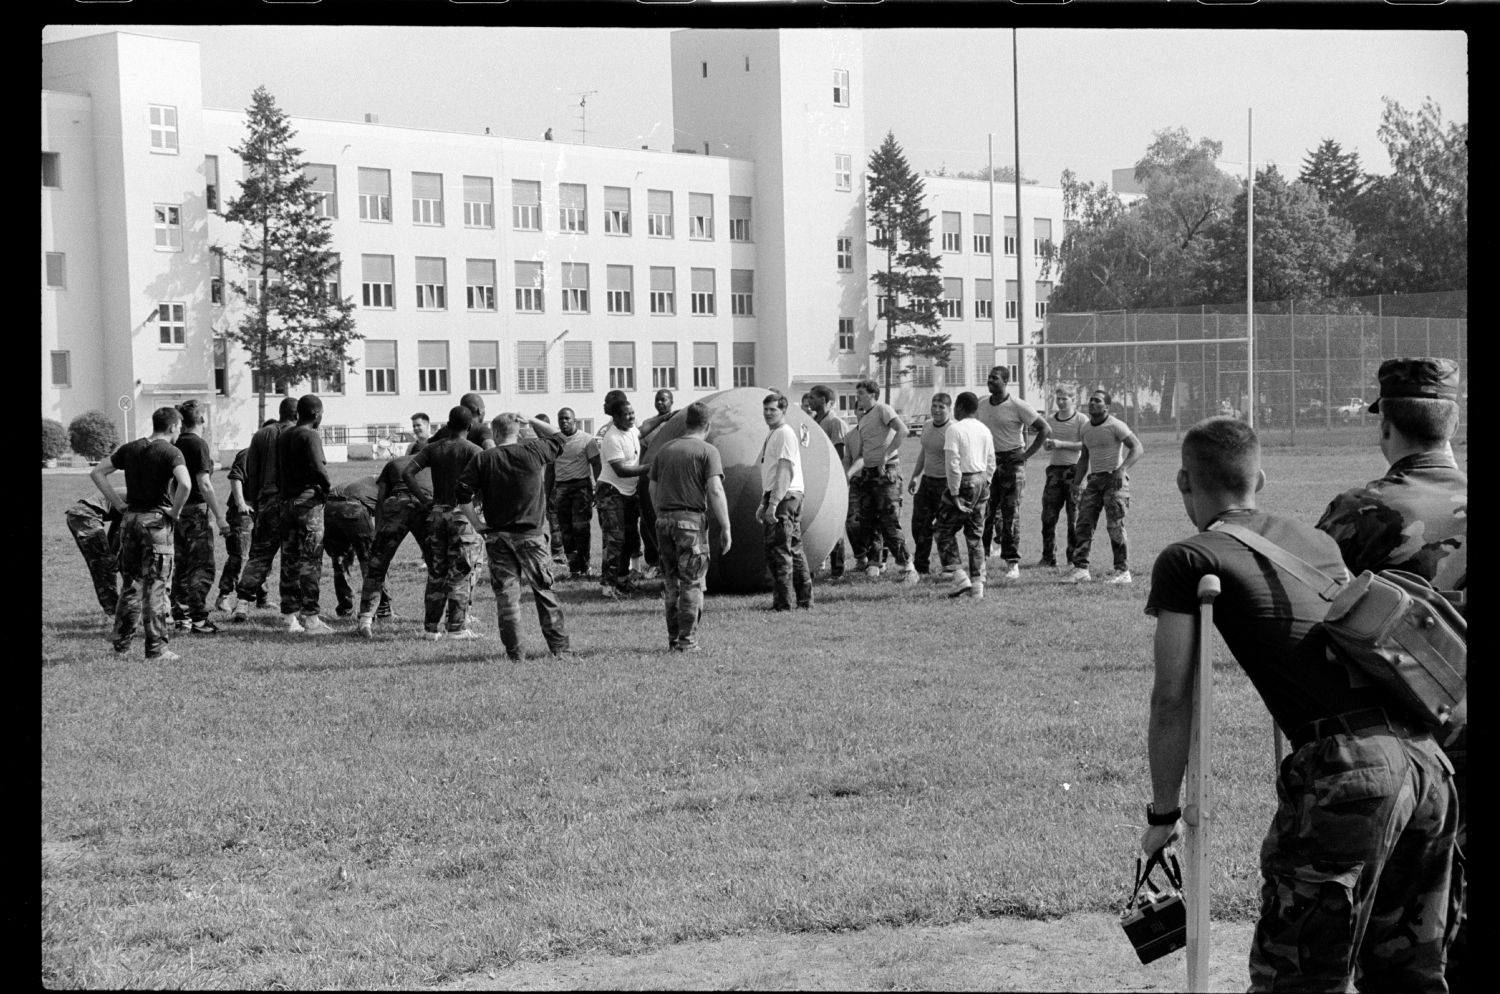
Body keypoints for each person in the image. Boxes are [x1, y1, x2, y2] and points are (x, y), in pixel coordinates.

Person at [1141, 417, 1457, 992]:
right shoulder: (1316, 542)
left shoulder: (1190, 558)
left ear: (1184, 481)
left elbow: (1171, 698)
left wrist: (1164, 813)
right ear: (1259, 477)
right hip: (1427, 763)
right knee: (1407, 970)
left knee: (1298, 977)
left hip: (1350, 773)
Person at [1314, 356, 1468, 994]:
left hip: (1410, 749)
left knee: (1404, 941)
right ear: (1451, 421)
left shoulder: (1360, 512)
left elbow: (1318, 624)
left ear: (1387, 427)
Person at [458, 413, 571, 660]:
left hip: (497, 537)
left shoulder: (483, 459)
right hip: (531, 536)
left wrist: (477, 524)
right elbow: (560, 436)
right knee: (544, 592)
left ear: (496, 434)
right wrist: (531, 419)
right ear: (518, 432)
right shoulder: (534, 451)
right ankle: (560, 650)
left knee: (507, 597)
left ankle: (515, 654)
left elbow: (462, 493)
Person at [90, 406, 191, 660]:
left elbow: (97, 472)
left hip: (130, 521)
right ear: (171, 427)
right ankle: (157, 649)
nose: (179, 431)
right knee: (156, 586)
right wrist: (175, 511)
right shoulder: (172, 452)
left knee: (131, 585)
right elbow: (186, 484)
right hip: (155, 523)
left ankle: (121, 645)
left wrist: (118, 503)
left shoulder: (131, 448)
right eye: (179, 427)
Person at [650, 401, 732, 651]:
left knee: (671, 581)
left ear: (686, 424)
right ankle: (688, 642)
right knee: (692, 582)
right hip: (690, 524)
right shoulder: (707, 451)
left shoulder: (665, 450)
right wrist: (726, 526)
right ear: (707, 425)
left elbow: (652, 487)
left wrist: (662, 514)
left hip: (663, 521)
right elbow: (715, 490)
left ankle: (674, 639)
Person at [405, 406, 483, 639]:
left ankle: (430, 628)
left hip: (436, 514)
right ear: (469, 427)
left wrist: (424, 500)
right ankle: (456, 628)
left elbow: (408, 473)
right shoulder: (475, 451)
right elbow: (486, 483)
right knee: (460, 572)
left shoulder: (433, 448)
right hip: (462, 516)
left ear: (447, 425)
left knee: (436, 572)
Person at [976, 365, 1050, 580]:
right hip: (989, 463)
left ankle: (1011, 562)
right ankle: (981, 558)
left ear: (1005, 381)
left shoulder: (1018, 405)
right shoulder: (982, 404)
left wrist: (1025, 455)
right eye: (989, 377)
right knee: (985, 511)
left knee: (1010, 513)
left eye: (995, 378)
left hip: (1011, 462)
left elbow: (1045, 429)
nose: (990, 381)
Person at [229, 397, 298, 622]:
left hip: (266, 501)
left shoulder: (260, 435)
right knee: (290, 556)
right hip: (290, 502)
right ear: (296, 415)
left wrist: (257, 503)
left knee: (258, 555)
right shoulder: (299, 433)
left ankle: (242, 604)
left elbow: (253, 473)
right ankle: (290, 613)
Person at [1064, 390, 1144, 584]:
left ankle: (1122, 571)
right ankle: (1081, 569)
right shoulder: (1086, 428)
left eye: (1097, 401)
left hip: (1114, 481)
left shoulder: (1115, 425)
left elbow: (1137, 448)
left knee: (1114, 525)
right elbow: (1084, 458)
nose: (1092, 403)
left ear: (1106, 407)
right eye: (1091, 400)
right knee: (1083, 523)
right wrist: (1076, 484)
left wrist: (1121, 469)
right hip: (1094, 481)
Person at [845, 378, 917, 585]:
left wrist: (886, 454)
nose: (857, 397)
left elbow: (902, 430)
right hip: (869, 473)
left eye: (860, 394)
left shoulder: (882, 409)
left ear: (872, 395)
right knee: (869, 521)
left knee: (889, 521)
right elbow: (863, 452)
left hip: (886, 473)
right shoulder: (865, 418)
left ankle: (907, 566)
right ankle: (875, 563)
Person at [355, 453, 433, 638]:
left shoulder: (393, 463)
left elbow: (381, 498)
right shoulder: (434, 461)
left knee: (377, 564)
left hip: (396, 503)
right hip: (425, 505)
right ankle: (434, 622)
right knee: (436, 566)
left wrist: (379, 530)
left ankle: (365, 620)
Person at [168, 399, 229, 635]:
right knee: (202, 566)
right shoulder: (199, 444)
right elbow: (204, 483)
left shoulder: (174, 444)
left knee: (181, 566)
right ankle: (200, 620)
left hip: (178, 511)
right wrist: (220, 517)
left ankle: (181, 616)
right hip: (196, 511)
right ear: (202, 420)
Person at [275, 394, 334, 634]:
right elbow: (319, 470)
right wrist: (327, 489)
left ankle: (289, 617)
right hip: (307, 504)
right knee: (311, 561)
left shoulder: (284, 435)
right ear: (316, 414)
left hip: (286, 503)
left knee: (289, 560)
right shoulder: (310, 435)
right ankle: (310, 618)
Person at [937, 392, 997, 599]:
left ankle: (960, 578)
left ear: (960, 407)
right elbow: (991, 460)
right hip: (982, 480)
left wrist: (954, 493)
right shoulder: (984, 429)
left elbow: (952, 462)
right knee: (975, 535)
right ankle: (978, 587)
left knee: (942, 530)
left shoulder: (954, 429)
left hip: (964, 481)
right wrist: (986, 482)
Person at [758, 392, 813, 611]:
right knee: (794, 549)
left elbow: (784, 470)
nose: (768, 413)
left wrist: (773, 504)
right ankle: (804, 600)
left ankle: (783, 602)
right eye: (766, 409)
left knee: (779, 551)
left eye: (773, 410)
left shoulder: (783, 433)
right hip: (788, 495)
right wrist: (764, 502)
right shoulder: (776, 434)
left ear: (784, 411)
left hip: (785, 496)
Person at [595, 396, 649, 600]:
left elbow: (645, 427)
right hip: (612, 492)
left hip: (629, 493)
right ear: (615, 417)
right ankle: (608, 586)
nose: (631, 416)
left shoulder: (632, 429)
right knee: (614, 540)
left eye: (632, 412)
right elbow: (620, 470)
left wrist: (665, 418)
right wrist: (650, 468)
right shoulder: (612, 438)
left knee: (628, 538)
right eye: (627, 414)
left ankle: (623, 580)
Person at [322, 475, 390, 620]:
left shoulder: (366, 481)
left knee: (340, 561)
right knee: (373, 561)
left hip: (329, 505)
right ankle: (383, 609)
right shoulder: (389, 486)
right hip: (353, 506)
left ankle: (345, 608)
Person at [216, 435, 270, 613]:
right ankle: (223, 596)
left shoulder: (273, 456)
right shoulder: (248, 454)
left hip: (262, 512)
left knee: (262, 556)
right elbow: (236, 477)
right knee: (240, 556)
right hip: (243, 513)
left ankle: (262, 597)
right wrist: (240, 503)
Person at [907, 392, 952, 577]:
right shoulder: (926, 426)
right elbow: (924, 452)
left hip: (945, 484)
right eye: (934, 406)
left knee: (943, 527)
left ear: (950, 409)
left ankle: (949, 567)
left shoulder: (953, 429)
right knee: (919, 525)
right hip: (927, 481)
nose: (937, 410)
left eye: (942, 407)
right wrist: (915, 475)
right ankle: (921, 567)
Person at [1038, 386, 1084, 569]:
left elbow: (1084, 444)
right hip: (1054, 471)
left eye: (1065, 398)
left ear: (1074, 400)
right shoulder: (1050, 420)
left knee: (1074, 518)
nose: (1061, 402)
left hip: (1074, 471)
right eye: (1059, 398)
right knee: (1048, 516)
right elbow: (1047, 443)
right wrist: (1048, 445)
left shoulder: (1081, 420)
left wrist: (1061, 444)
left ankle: (1073, 558)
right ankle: (1048, 556)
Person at [808, 385, 851, 579]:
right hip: (816, 478)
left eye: (813, 398)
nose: (810, 401)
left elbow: (840, 454)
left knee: (834, 523)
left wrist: (838, 482)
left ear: (825, 401)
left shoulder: (835, 423)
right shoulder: (813, 421)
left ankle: (837, 569)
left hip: (832, 479)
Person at [636, 388, 677, 579]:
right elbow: (643, 453)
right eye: (657, 399)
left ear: (671, 401)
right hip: (650, 478)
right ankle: (653, 562)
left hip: (670, 480)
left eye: (664, 400)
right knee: (648, 522)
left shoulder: (678, 423)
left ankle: (669, 562)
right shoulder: (649, 425)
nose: (660, 403)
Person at [65, 489, 125, 618]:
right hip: (85, 516)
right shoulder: (140, 498)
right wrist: (113, 556)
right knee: (102, 566)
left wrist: (113, 554)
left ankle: (114, 608)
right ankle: (114, 611)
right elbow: (122, 528)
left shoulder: (134, 491)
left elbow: (117, 527)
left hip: (80, 514)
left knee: (104, 563)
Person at [552, 407, 596, 579]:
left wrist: (597, 488)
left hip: (581, 487)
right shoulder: (554, 441)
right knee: (566, 530)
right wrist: (549, 492)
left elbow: (596, 464)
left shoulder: (587, 440)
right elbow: (549, 470)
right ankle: (574, 568)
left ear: (574, 420)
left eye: (567, 418)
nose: (564, 421)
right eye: (561, 419)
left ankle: (585, 566)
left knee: (581, 528)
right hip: (561, 488)